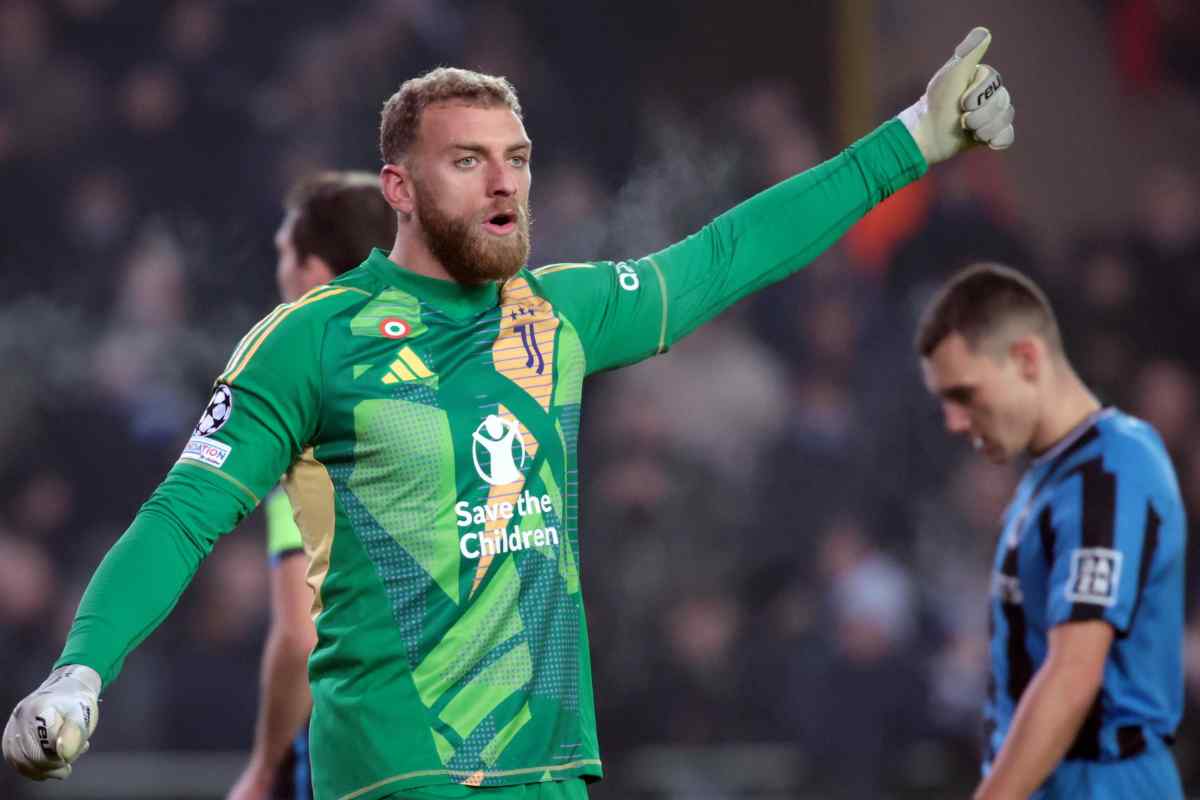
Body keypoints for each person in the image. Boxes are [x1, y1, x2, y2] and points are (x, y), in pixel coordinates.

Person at [4, 27, 1015, 800]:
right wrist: (81, 670)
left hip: (552, 766)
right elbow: (182, 515)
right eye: (470, 159)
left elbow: (726, 254)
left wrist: (915, 139)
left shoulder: (556, 314)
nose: (505, 182)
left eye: (518, 156)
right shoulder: (313, 340)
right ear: (397, 187)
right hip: (405, 769)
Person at [915, 264, 1185, 800]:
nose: (955, 421)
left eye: (965, 394)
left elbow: (1073, 675)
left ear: (1027, 359)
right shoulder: (1053, 477)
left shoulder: (1110, 472)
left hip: (1103, 784)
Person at [227, 172, 398, 800]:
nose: (279, 277)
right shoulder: (459, 386)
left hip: (357, 750)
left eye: (283, 257)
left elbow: (302, 633)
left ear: (314, 275)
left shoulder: (310, 426)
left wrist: (264, 767)